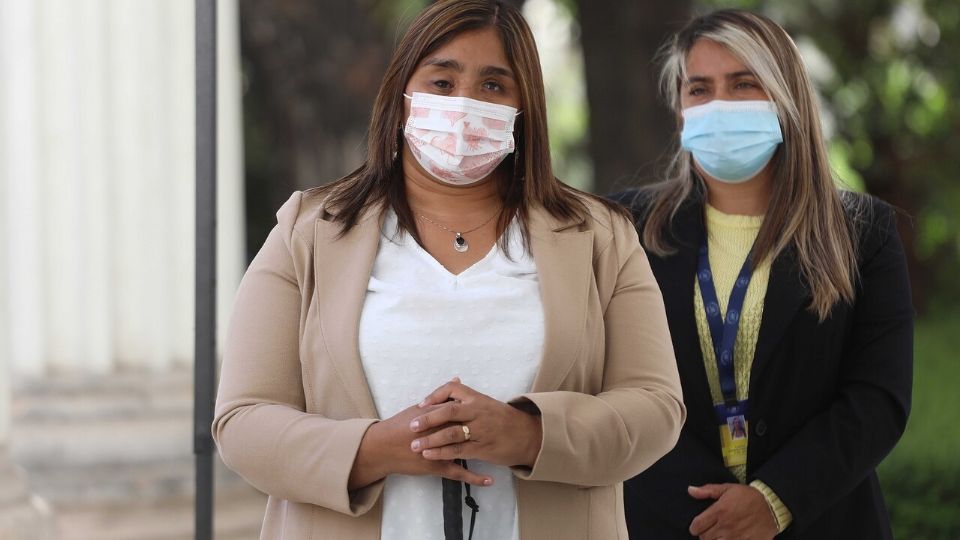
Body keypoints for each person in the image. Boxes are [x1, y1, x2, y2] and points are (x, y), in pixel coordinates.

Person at [212, 1, 685, 539]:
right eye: (442, 81)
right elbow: (243, 421)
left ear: (524, 105)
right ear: (402, 96)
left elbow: (655, 407)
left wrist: (528, 434)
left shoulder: (600, 236)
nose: (464, 103)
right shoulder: (309, 231)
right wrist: (374, 449)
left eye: (493, 86)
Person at [612, 9, 913, 540]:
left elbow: (877, 399)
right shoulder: (623, 228)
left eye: (743, 83)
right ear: (680, 111)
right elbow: (608, 384)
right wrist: (709, 516)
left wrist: (774, 501)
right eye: (699, 89)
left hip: (824, 521)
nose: (718, 105)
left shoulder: (863, 232)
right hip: (666, 522)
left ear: (785, 97)